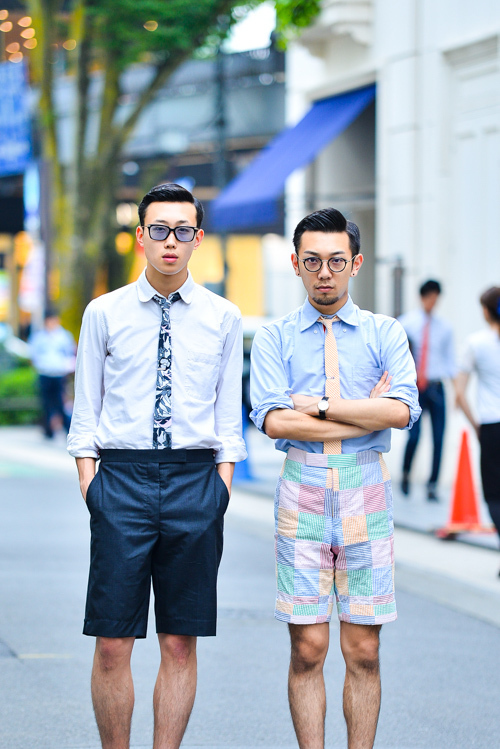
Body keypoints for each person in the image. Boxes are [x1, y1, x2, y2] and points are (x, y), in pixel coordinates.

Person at [67, 183, 246, 749]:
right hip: (120, 480)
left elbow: (227, 417)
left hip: (197, 482)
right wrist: (92, 485)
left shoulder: (223, 316)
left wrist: (220, 487)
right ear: (141, 236)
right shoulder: (104, 312)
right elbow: (86, 410)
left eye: (184, 231)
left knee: (178, 641)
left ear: (197, 239)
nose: (172, 241)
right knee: (113, 642)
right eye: (160, 230)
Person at [250, 208, 420, 749]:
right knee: (308, 648)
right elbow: (273, 419)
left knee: (364, 650)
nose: (325, 273)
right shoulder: (275, 338)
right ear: (296, 264)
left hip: (366, 486)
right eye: (314, 261)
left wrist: (316, 405)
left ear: (356, 264)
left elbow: (400, 411)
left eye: (337, 261)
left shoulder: (385, 332)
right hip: (301, 487)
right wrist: (359, 408)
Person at [455, 286, 500, 569]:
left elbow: (459, 393)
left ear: (485, 311)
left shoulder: (476, 343)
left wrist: (476, 426)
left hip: (492, 427)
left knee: (494, 494)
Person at [398, 280, 456, 500]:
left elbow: (451, 361)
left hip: (436, 386)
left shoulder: (445, 327)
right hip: (415, 388)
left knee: (439, 438)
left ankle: (432, 485)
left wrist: (457, 391)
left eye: (436, 298)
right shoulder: (406, 323)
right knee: (414, 436)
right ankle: (406, 474)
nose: (433, 302)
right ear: (422, 297)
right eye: (430, 297)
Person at [29, 309, 76, 438]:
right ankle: (48, 429)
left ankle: (67, 427)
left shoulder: (64, 336)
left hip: (59, 373)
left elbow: (69, 353)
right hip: (44, 372)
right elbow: (34, 354)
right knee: (46, 402)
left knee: (60, 401)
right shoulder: (39, 337)